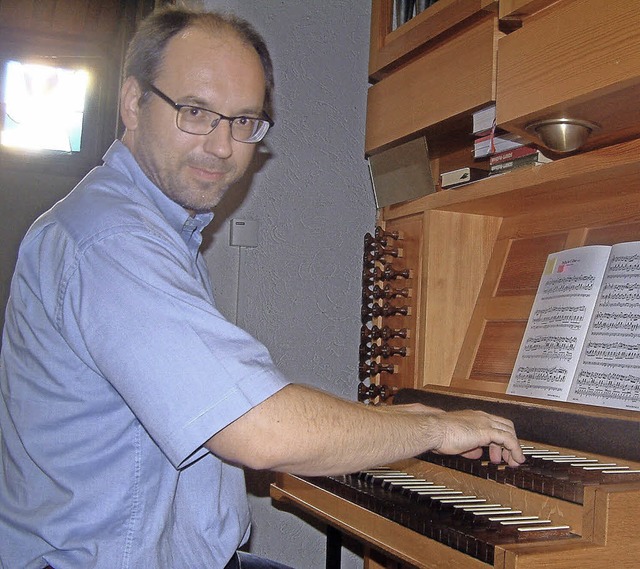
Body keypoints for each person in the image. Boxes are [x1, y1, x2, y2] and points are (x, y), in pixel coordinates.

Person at [0, 7, 524, 569]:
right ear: (133, 103)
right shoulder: (112, 242)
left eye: (244, 121)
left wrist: (409, 419)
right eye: (196, 112)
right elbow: (260, 431)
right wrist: (434, 429)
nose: (224, 147)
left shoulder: (151, 227)